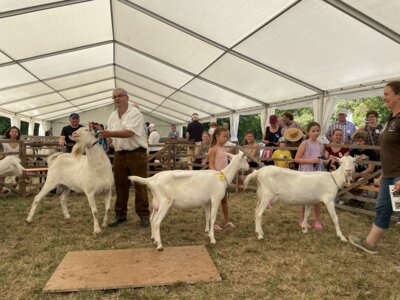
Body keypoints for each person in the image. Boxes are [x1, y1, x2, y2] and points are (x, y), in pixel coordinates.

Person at [349, 81, 400, 254]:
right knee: (383, 208)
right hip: (389, 174)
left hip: (398, 176)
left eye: (386, 94)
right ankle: (370, 243)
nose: (383, 97)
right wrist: (384, 172)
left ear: (398, 95)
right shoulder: (391, 119)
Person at [99, 88, 150, 227]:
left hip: (137, 153)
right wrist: (105, 142)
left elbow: (129, 133)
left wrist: (109, 133)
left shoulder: (135, 113)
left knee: (140, 185)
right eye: (114, 97)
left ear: (127, 97)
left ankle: (144, 214)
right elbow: (110, 138)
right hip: (119, 153)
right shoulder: (112, 116)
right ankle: (120, 215)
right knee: (120, 186)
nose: (116, 99)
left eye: (119, 96)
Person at [294, 122, 327, 231]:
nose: (315, 133)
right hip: (306, 173)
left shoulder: (321, 145)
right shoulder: (304, 144)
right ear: (308, 132)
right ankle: (302, 219)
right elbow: (297, 159)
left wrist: (326, 161)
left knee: (318, 197)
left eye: (317, 130)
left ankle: (317, 220)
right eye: (313, 131)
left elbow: (321, 158)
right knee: (305, 198)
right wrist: (311, 160)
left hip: (318, 172)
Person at [208, 127, 235, 231]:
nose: (225, 138)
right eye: (224, 136)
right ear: (217, 136)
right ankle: (212, 223)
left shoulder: (224, 149)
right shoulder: (213, 149)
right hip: (216, 179)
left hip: (224, 179)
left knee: (224, 200)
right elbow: (211, 164)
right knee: (213, 202)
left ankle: (227, 220)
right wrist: (217, 175)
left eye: (226, 136)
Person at [348, 131, 378, 208]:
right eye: (356, 141)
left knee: (360, 181)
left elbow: (370, 169)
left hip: (366, 175)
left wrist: (357, 175)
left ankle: (359, 198)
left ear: (365, 141)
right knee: (346, 181)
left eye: (360, 141)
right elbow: (350, 165)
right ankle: (357, 197)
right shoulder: (352, 152)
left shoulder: (371, 152)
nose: (358, 143)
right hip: (354, 174)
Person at [0, 126, 21, 192]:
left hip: (17, 163)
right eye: (12, 131)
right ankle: (1, 188)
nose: (14, 132)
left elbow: (23, 155)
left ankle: (13, 189)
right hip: (6, 163)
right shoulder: (3, 143)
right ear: (9, 133)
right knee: (1, 174)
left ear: (18, 134)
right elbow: (1, 155)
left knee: (20, 173)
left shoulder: (21, 143)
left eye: (16, 131)